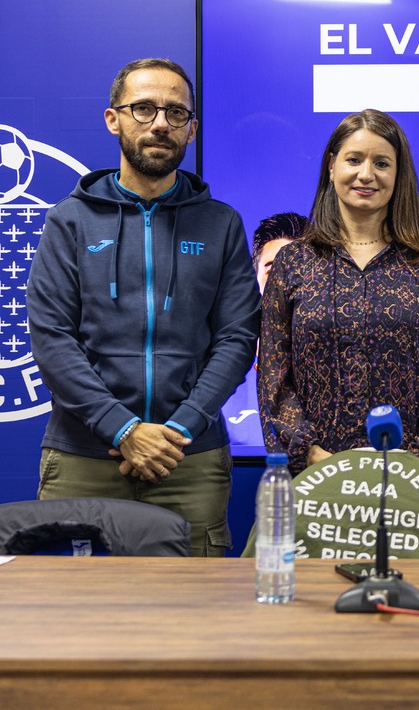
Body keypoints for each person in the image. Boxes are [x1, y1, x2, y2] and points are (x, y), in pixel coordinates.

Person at [28, 58, 260, 557]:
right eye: (144, 109)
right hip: (83, 457)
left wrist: (178, 430)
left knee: (193, 618)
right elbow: (52, 340)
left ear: (192, 130)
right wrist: (124, 429)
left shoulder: (221, 225)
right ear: (114, 119)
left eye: (176, 113)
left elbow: (238, 337)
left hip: (189, 461)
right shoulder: (68, 222)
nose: (159, 123)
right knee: (73, 618)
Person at [258, 110, 419, 494]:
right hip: (315, 482)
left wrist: (414, 464)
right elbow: (273, 377)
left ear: (398, 174)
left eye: (382, 163)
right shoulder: (293, 263)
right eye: (354, 160)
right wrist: (311, 455)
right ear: (331, 165)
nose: (366, 174)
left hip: (414, 484)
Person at [221, 212, 308, 452]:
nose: (284, 282)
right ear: (255, 279)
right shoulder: (222, 373)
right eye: (272, 269)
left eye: (297, 269)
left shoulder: (338, 374)